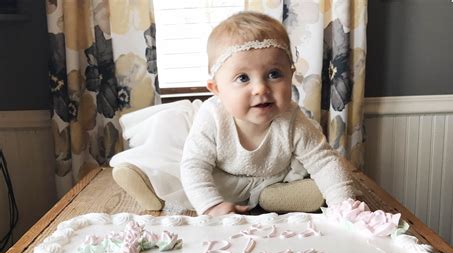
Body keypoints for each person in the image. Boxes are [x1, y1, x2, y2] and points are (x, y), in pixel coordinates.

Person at [111, 11, 356, 215]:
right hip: (221, 176)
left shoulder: (293, 119)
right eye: (242, 78)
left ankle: (271, 198)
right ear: (217, 89)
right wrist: (211, 206)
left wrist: (347, 208)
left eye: (274, 74)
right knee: (181, 176)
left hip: (271, 177)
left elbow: (325, 162)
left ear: (291, 75)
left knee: (316, 183)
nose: (261, 88)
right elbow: (195, 166)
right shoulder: (214, 118)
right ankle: (147, 184)